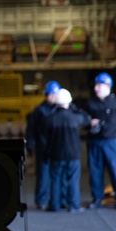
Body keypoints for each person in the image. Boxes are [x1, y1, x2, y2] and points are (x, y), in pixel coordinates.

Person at [84, 72, 116, 209]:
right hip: (95, 142)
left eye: (99, 85)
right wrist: (89, 123)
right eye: (95, 85)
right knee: (95, 172)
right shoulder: (90, 104)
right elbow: (83, 121)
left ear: (107, 86)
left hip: (112, 142)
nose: (96, 88)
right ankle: (97, 199)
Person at [40, 88, 93, 213]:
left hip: (56, 155)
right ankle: (73, 205)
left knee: (55, 180)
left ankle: (55, 205)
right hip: (73, 155)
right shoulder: (75, 117)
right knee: (73, 180)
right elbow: (87, 119)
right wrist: (74, 108)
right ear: (68, 102)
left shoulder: (49, 119)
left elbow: (44, 138)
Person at [25, 80, 62, 210]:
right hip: (44, 148)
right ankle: (41, 200)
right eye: (49, 94)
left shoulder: (62, 109)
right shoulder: (40, 110)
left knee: (59, 176)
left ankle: (59, 199)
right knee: (43, 176)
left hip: (59, 148)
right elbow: (31, 129)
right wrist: (30, 145)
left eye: (54, 94)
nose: (51, 97)